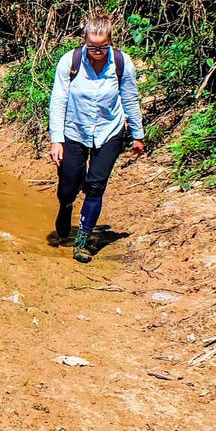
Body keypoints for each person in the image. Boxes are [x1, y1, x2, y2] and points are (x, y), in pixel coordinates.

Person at [48, 13, 145, 263]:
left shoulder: (122, 63)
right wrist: (56, 139)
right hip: (74, 131)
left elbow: (130, 99)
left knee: (95, 186)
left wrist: (138, 134)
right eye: (92, 47)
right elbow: (58, 100)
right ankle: (66, 206)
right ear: (84, 40)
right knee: (69, 184)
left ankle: (82, 241)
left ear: (110, 42)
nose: (98, 52)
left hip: (109, 131)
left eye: (103, 47)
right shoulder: (70, 62)